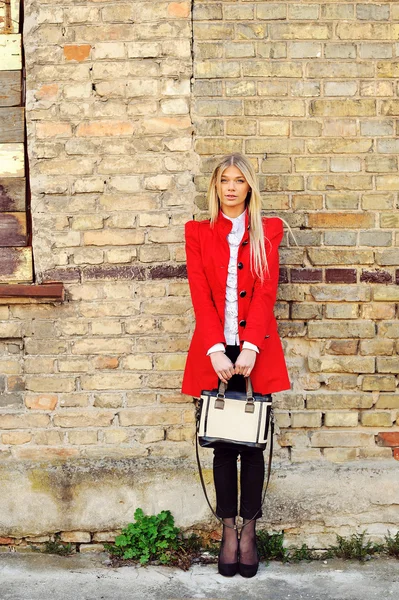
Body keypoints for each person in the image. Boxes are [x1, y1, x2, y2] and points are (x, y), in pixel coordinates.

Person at [181, 152, 291, 578]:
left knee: (253, 443)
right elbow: (200, 293)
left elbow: (266, 292)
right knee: (223, 445)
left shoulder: (269, 230)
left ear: (249, 187)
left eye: (239, 180)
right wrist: (214, 348)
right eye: (224, 180)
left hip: (254, 349)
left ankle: (251, 531)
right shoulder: (197, 232)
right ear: (215, 186)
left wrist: (250, 348)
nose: (231, 187)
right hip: (214, 349)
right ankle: (228, 530)